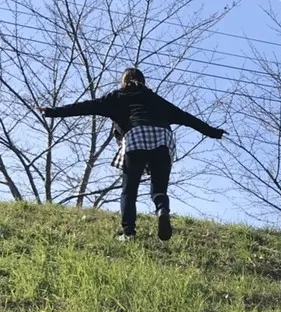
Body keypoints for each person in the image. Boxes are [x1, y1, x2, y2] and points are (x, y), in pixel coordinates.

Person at [39, 68, 225, 242]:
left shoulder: (117, 97)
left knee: (129, 190)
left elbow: (84, 107)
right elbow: (186, 117)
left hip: (136, 137)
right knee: (159, 188)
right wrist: (213, 132)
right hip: (163, 139)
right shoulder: (155, 99)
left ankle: (129, 232)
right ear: (143, 82)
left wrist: (51, 112)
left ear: (123, 82)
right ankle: (162, 210)